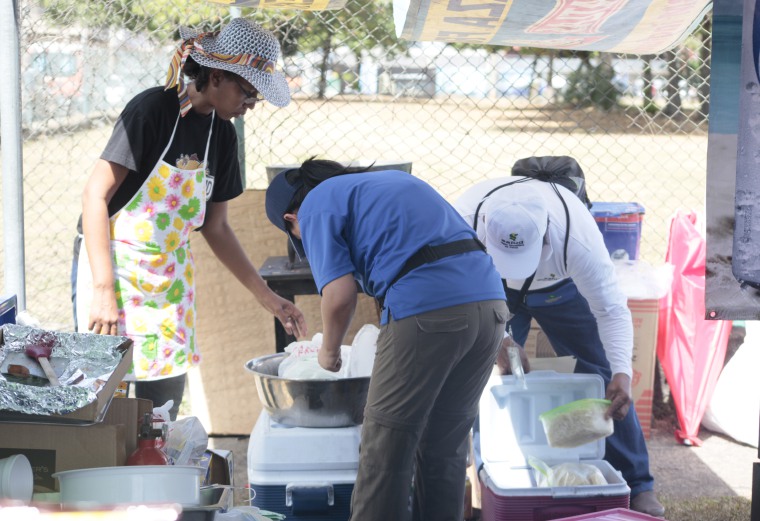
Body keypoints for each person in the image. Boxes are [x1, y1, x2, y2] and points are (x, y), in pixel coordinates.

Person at [74, 18, 306, 421]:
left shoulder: (223, 136)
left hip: (168, 281)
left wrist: (267, 296)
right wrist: (103, 290)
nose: (250, 106)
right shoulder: (153, 110)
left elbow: (216, 227)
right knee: (105, 405)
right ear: (216, 76)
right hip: (114, 272)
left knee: (160, 408)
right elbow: (95, 195)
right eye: (248, 92)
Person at [265, 158, 508, 521]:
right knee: (444, 447)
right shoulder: (385, 183)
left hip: (428, 311)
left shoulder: (315, 205)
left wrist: (328, 351)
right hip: (491, 309)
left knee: (385, 450)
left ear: (290, 219)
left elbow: (340, 294)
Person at [454, 156, 665, 518]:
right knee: (481, 374)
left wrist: (622, 373)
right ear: (486, 228)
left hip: (562, 285)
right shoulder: (463, 221)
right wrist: (499, 338)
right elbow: (460, 290)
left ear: (546, 234)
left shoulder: (576, 235)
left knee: (604, 374)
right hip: (490, 288)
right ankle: (491, 478)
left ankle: (637, 481)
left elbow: (611, 310)